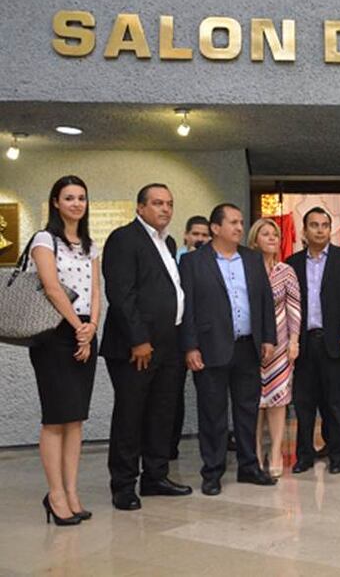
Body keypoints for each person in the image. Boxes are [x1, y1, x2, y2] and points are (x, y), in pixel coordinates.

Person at [101, 183, 192, 512]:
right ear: (140, 207)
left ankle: (155, 477)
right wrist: (139, 339)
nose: (165, 209)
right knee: (131, 414)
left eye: (169, 203)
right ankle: (123, 485)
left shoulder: (166, 242)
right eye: (157, 203)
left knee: (161, 412)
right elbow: (121, 294)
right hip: (135, 347)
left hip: (169, 343)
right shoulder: (124, 239)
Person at [179, 203, 278, 495]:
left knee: (247, 410)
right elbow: (188, 309)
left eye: (240, 222)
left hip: (247, 346)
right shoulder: (194, 263)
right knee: (213, 413)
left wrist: (268, 338)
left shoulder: (252, 259)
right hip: (210, 348)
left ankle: (249, 467)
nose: (238, 228)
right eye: (233, 222)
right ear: (215, 228)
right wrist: (190, 346)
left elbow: (264, 302)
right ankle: (212, 472)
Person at [28, 176, 101, 525]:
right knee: (56, 418)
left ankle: (72, 492)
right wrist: (78, 329)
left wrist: (92, 328)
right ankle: (54, 494)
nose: (76, 203)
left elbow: (97, 291)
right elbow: (53, 289)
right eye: (69, 197)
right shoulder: (45, 239)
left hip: (85, 329)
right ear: (56, 201)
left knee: (76, 418)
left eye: (82, 198)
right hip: (55, 334)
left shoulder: (90, 243)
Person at [285, 208, 340, 475]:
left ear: (331, 229)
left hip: (335, 342)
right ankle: (304, 455)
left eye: (325, 225)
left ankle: (337, 454)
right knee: (304, 404)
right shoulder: (291, 263)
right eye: (314, 225)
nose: (320, 230)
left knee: (334, 403)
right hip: (303, 344)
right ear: (304, 230)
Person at [247, 218, 301, 478]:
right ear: (254, 239)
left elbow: (294, 308)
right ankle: (256, 452)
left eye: (275, 235)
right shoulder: (246, 268)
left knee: (278, 400)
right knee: (255, 401)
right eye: (265, 234)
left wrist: (294, 341)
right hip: (251, 346)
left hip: (280, 348)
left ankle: (277, 451)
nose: (271, 238)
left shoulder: (286, 271)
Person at [170, 214, 209, 459]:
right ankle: (168, 445)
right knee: (172, 393)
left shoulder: (210, 262)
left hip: (201, 336)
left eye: (205, 235)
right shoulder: (173, 260)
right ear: (186, 235)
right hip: (174, 335)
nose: (200, 239)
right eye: (196, 234)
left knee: (208, 393)